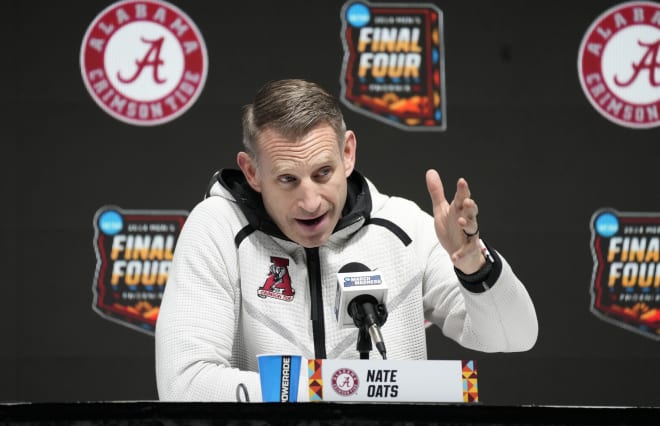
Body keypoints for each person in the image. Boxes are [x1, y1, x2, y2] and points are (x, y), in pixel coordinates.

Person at [155, 78, 538, 402]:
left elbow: (515, 336)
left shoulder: (403, 225)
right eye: (287, 179)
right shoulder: (217, 227)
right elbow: (184, 384)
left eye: (323, 173)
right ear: (252, 172)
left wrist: (472, 263)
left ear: (348, 153)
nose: (310, 202)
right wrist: (331, 390)